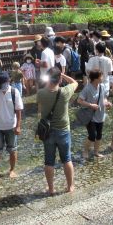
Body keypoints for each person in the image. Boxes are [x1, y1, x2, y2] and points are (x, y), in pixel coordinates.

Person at [36, 67, 78, 195]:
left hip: (47, 132)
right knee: (67, 159)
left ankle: (51, 189)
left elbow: (39, 110)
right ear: (59, 79)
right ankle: (70, 187)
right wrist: (63, 75)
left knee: (49, 161)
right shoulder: (65, 92)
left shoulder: (41, 93)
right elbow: (75, 83)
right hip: (63, 130)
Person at [0, 71, 24, 178]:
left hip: (11, 126)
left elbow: (18, 110)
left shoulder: (14, 92)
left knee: (12, 149)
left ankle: (12, 170)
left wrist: (18, 126)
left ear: (8, 81)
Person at [77, 70, 112, 158]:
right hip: (90, 116)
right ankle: (85, 150)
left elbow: (103, 99)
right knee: (92, 135)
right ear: (95, 78)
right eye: (101, 76)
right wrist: (90, 105)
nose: (102, 78)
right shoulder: (87, 88)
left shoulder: (102, 86)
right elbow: (79, 100)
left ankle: (96, 152)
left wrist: (107, 103)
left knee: (99, 135)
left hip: (100, 114)